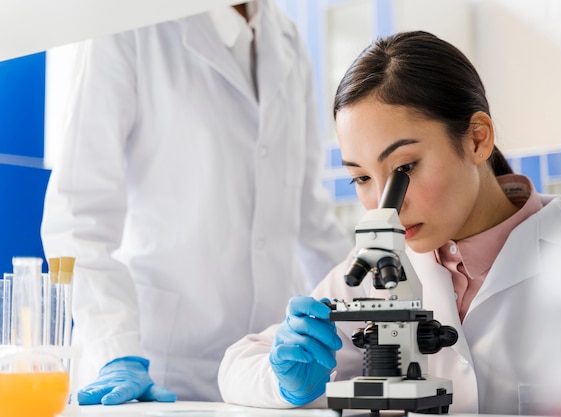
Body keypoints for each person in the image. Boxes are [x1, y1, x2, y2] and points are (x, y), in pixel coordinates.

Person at [217, 30, 561, 414]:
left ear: (477, 139)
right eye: (361, 178)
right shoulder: (383, 262)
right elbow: (238, 365)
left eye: (405, 167)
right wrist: (286, 380)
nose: (383, 206)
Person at [40, 0, 353, 405]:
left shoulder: (288, 39)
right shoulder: (129, 23)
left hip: (266, 371)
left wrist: (375, 306)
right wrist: (116, 351)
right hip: (160, 369)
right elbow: (78, 216)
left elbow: (312, 219)